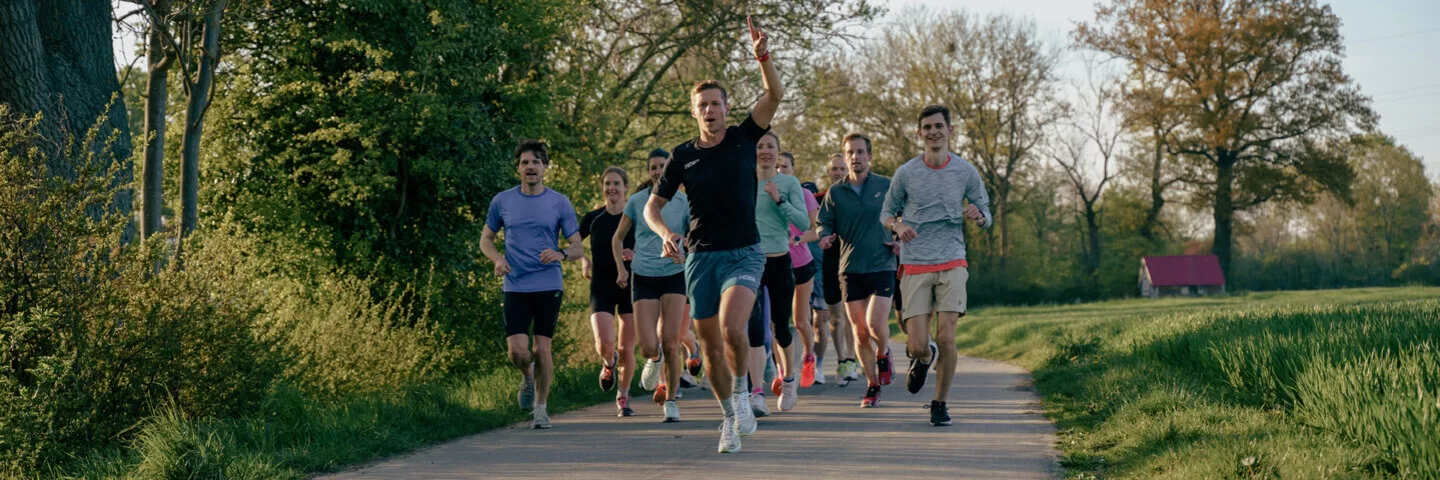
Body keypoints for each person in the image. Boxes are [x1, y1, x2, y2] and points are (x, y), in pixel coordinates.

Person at [642, 15, 783, 453]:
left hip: (744, 252)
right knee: (709, 344)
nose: (710, 110)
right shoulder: (682, 157)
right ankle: (727, 415)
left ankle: (743, 394)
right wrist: (666, 232)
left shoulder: (744, 137)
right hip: (701, 257)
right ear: (694, 112)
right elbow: (652, 206)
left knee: (731, 327)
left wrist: (763, 56)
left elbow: (775, 94)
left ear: (726, 107)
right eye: (702, 105)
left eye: (716, 103)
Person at [883, 105, 991, 426]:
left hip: (953, 259)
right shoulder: (906, 173)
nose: (933, 132)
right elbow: (887, 212)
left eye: (939, 126)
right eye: (927, 127)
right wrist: (897, 226)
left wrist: (979, 215)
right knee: (917, 344)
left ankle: (940, 403)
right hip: (915, 262)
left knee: (947, 337)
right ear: (919, 134)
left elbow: (985, 210)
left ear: (950, 130)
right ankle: (923, 357)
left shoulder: (965, 171)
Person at [481, 140, 583, 429]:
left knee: (542, 348)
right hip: (514, 283)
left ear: (545, 167)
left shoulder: (559, 202)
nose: (530, 167)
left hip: (548, 281)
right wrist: (498, 259)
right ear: (518, 168)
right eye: (525, 162)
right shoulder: (502, 201)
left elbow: (577, 248)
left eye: (536, 162)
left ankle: (541, 408)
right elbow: (485, 239)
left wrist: (561, 253)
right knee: (518, 352)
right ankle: (528, 375)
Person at [818, 133, 900, 408]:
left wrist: (900, 239)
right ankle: (872, 385)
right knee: (860, 331)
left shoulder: (886, 186)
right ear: (845, 156)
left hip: (882, 263)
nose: (856, 157)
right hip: (850, 268)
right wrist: (825, 235)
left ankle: (884, 353)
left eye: (860, 152)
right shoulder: (835, 192)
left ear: (870, 156)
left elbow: (905, 215)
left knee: (876, 324)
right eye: (850, 152)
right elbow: (824, 222)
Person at [614, 149, 691, 422]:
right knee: (648, 345)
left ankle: (670, 400)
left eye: (663, 166)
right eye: (654, 167)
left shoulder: (683, 200)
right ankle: (653, 358)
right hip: (643, 275)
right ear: (649, 172)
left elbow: (694, 236)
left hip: (674, 273)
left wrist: (688, 249)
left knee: (671, 342)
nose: (659, 171)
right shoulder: (637, 201)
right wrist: (621, 269)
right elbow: (618, 237)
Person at [746, 135, 808, 414]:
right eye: (759, 147)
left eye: (770, 146)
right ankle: (757, 392)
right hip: (750, 263)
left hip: (780, 261)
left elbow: (804, 222)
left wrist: (779, 200)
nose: (765, 151)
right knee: (755, 329)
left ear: (778, 152)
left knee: (780, 327)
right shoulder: (743, 182)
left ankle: (790, 380)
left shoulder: (789, 183)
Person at [579, 167, 639, 416]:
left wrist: (636, 255)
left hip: (632, 286)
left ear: (626, 188)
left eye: (616, 183)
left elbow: (653, 246)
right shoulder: (593, 218)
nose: (611, 188)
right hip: (602, 285)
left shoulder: (636, 218)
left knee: (627, 347)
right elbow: (573, 243)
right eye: (607, 184)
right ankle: (608, 363)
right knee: (604, 343)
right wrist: (583, 259)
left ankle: (623, 397)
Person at [777, 152, 821, 389]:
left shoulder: (803, 195)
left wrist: (797, 238)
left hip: (802, 264)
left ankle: (809, 355)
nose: (781, 170)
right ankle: (782, 370)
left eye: (785, 166)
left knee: (801, 321)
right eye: (777, 166)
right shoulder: (764, 195)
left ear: (793, 169)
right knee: (779, 322)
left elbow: (817, 230)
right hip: (775, 265)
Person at [815, 153, 857, 386]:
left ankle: (851, 358)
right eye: (835, 169)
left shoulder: (857, 196)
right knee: (836, 316)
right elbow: (815, 226)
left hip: (854, 260)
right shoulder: (821, 198)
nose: (839, 173)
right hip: (830, 261)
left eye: (842, 169)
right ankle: (842, 360)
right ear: (829, 172)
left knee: (853, 315)